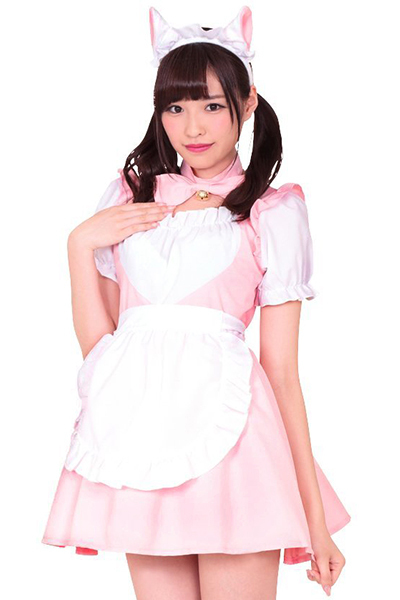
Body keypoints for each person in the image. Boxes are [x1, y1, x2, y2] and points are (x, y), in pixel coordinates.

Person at [41, 6, 351, 599]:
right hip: (139, 444)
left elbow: (282, 373)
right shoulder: (129, 198)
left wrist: (314, 523)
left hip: (235, 446)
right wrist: (79, 245)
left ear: (248, 103)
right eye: (175, 107)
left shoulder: (271, 209)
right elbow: (103, 354)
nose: (192, 126)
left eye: (211, 105)